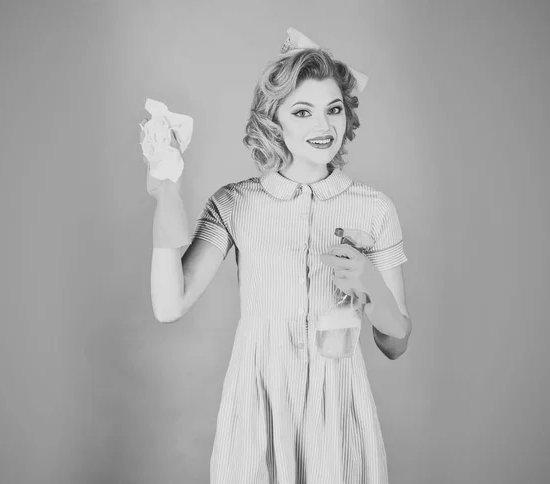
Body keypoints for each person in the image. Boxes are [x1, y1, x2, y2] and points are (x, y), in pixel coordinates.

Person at [149, 28, 412, 484]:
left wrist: (369, 283)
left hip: (340, 409)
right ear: (276, 121)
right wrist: (166, 188)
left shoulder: (374, 207)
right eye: (303, 112)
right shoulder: (236, 203)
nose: (323, 126)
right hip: (259, 406)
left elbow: (396, 342)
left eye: (333, 110)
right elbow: (169, 305)